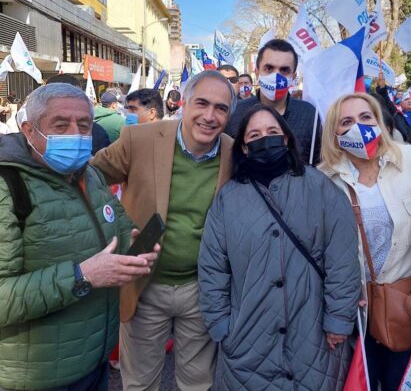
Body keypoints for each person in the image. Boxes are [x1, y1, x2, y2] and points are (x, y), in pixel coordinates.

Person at [0, 83, 158, 390]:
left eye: (83, 125)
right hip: (36, 377)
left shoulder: (91, 174)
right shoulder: (7, 187)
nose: (75, 133)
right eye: (61, 125)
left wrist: (134, 245)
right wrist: (82, 276)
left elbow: (119, 226)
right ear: (30, 131)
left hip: (93, 363)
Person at [91, 70, 236, 390]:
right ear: (184, 103)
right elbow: (90, 179)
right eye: (202, 103)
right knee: (140, 383)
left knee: (197, 384)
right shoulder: (139, 139)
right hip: (146, 286)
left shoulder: (234, 153)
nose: (210, 116)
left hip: (203, 288)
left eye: (221, 108)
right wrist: (118, 225)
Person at [199, 105, 360, 389]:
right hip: (248, 340)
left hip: (314, 338)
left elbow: (342, 258)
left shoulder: (319, 186)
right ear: (244, 148)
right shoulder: (229, 198)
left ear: (286, 139)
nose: (265, 138)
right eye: (255, 134)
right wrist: (221, 325)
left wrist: (338, 318)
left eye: (273, 132)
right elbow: (213, 267)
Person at [319, 92, 411, 390]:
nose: (359, 126)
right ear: (335, 134)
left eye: (366, 117)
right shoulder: (324, 181)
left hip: (405, 307)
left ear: (379, 121)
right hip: (356, 311)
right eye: (347, 122)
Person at [226, 39, 321, 164]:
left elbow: (317, 163)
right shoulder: (235, 112)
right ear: (257, 72)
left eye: (284, 70)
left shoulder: (309, 114)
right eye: (269, 68)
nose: (276, 77)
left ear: (293, 76)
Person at [46, 74, 111, 154]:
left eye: (77, 96)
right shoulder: (35, 128)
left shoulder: (98, 133)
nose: (75, 133)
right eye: (60, 126)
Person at [376, 74, 411, 142]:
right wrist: (382, 87)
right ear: (401, 104)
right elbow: (386, 99)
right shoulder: (398, 115)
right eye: (406, 99)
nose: (409, 101)